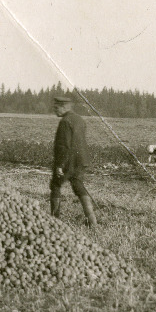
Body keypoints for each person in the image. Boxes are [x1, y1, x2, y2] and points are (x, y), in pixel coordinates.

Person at [50, 96, 96, 228]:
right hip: (81, 160)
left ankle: (54, 220)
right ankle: (92, 220)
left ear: (64, 107)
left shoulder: (65, 121)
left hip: (68, 161)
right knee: (78, 185)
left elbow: (64, 145)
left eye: (56, 108)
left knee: (55, 185)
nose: (55, 110)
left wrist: (60, 165)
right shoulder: (79, 119)